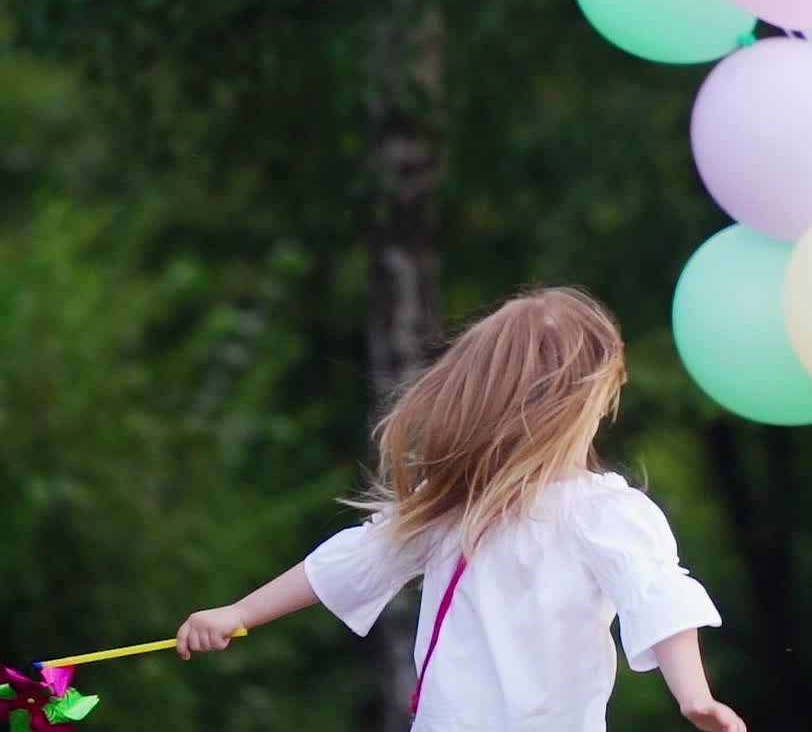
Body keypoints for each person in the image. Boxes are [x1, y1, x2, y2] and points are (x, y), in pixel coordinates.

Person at [176, 286, 746, 732]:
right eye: (601, 403)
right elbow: (661, 597)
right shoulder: (475, 508)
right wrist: (693, 696)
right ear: (573, 406)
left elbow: (656, 597)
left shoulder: (481, 508)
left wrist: (239, 612)